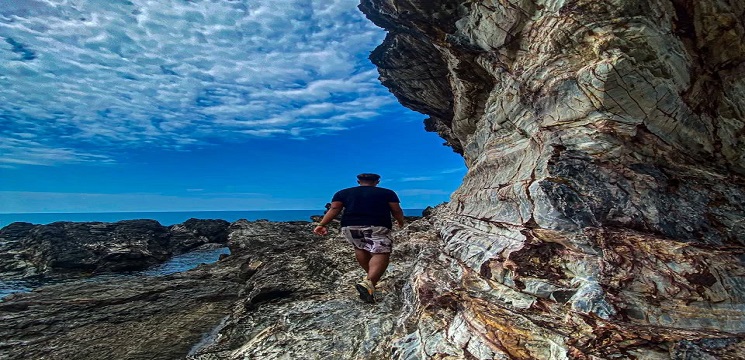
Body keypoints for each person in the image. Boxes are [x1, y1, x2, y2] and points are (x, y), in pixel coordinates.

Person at [313, 173, 405, 303]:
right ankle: (369, 282)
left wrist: (322, 224)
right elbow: (396, 210)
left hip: (350, 226)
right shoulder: (387, 193)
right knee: (381, 252)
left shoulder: (342, 193)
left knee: (360, 248)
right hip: (377, 225)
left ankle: (370, 280)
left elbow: (334, 209)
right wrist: (400, 221)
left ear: (358, 181)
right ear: (377, 181)